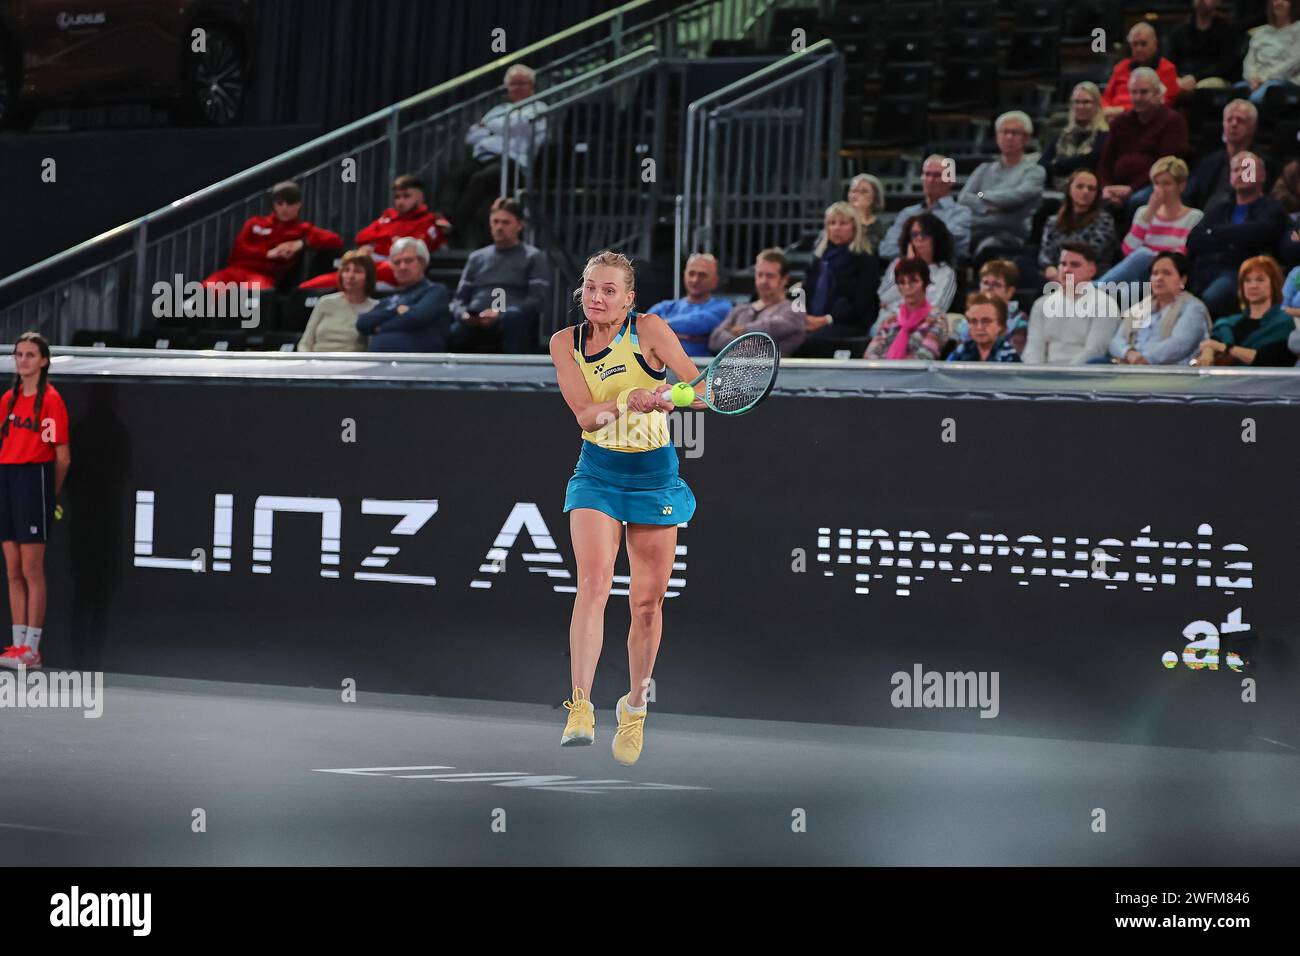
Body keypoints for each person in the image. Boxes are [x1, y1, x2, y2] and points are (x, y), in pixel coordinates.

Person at [549, 250, 704, 766]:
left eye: (609, 290)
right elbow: (585, 416)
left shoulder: (652, 330)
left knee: (646, 604)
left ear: (629, 298)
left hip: (654, 476)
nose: (597, 298)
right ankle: (580, 706)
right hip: (597, 472)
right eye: (591, 288)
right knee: (592, 585)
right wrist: (625, 400)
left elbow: (702, 391)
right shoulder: (564, 344)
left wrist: (669, 398)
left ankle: (634, 706)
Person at [0, 333, 71, 671]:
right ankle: (17, 644)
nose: (22, 360)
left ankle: (33, 649)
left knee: (31, 569)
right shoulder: (7, 402)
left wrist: (50, 494)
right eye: (18, 354)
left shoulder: (51, 401)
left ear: (43, 361)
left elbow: (62, 456)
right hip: (7, 480)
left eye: (30, 355)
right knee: (12, 568)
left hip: (34, 480)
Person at [300, 174, 451, 291]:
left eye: (406, 196)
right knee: (332, 264)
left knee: (351, 274)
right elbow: (361, 237)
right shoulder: (388, 215)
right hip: (371, 262)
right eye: (397, 197)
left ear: (420, 197)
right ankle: (304, 293)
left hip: (394, 267)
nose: (400, 202)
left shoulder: (429, 221)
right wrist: (390, 239)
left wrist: (377, 243)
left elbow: (413, 250)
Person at [452, 64, 549, 248]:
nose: (518, 88)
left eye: (523, 83)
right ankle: (444, 220)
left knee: (480, 179)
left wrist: (490, 127)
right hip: (484, 157)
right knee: (457, 174)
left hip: (514, 162)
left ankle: (456, 227)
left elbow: (521, 127)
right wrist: (506, 127)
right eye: (513, 84)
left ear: (532, 86)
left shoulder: (538, 107)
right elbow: (471, 135)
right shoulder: (499, 109)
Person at [1186, 152, 1288, 316]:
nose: (1240, 174)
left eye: (1247, 168)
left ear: (1262, 175)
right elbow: (1193, 240)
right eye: (1236, 170)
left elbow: (1258, 233)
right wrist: (1233, 237)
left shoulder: (1271, 208)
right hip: (1204, 269)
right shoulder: (1219, 208)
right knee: (1153, 286)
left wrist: (1214, 232)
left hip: (1240, 272)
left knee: (1211, 297)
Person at [447, 197, 550, 354]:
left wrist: (501, 314)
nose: (499, 227)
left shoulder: (533, 256)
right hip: (475, 320)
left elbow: (537, 299)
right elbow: (458, 300)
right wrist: (464, 314)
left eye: (505, 222)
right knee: (453, 331)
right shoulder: (477, 257)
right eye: (495, 222)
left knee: (513, 319)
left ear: (519, 225)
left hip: (511, 318)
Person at [202, 180, 342, 291]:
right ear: (274, 205)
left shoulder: (302, 229)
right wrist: (268, 253)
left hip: (263, 276)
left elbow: (335, 240)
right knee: (208, 289)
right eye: (280, 203)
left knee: (253, 293)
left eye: (290, 203)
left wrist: (302, 243)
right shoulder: (255, 223)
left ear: (298, 205)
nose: (284, 208)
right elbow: (240, 249)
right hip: (234, 271)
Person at [957, 111, 1046, 259]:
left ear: (1027, 138)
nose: (1009, 137)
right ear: (997, 136)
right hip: (976, 228)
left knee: (987, 248)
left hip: (1011, 234)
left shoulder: (1035, 171)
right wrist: (990, 205)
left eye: (1015, 132)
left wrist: (982, 195)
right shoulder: (984, 169)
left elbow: (1016, 197)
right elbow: (964, 198)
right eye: (1005, 132)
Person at [1100, 157, 1203, 285]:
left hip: (1166, 275)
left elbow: (1181, 255)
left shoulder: (1194, 217)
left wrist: (1153, 258)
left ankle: (1096, 288)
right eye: (1156, 183)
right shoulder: (1144, 212)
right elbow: (1128, 251)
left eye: (1166, 183)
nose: (1160, 189)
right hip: (1139, 276)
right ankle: (1098, 289)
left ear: (1181, 186)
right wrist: (1150, 213)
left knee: (1145, 253)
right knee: (1128, 290)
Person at [1098, 70, 1191, 210]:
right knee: (1089, 195)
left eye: (1144, 92)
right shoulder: (1120, 121)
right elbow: (1105, 161)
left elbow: (1165, 166)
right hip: (1116, 186)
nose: (1138, 97)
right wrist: (1106, 187)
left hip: (1153, 185)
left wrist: (1131, 189)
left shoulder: (1172, 121)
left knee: (1137, 201)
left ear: (1157, 93)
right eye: (1134, 92)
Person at [1022, 242, 1122, 364]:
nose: (1066, 270)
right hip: (1044, 376)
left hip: (1084, 377)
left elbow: (1095, 351)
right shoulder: (1041, 304)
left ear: (1092, 270)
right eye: (1063, 264)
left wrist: (1065, 376)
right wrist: (1035, 375)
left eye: (1075, 265)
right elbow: (1033, 347)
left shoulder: (1105, 305)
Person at [1106, 252, 1211, 364]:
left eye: (1167, 273)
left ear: (1183, 280)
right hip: (1133, 366)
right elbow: (1116, 341)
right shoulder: (1141, 307)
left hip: (1170, 373)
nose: (1159, 278)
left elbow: (1178, 344)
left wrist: (1144, 358)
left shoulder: (1193, 308)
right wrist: (1128, 352)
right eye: (1155, 273)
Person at [1193, 255, 1296, 365]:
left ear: (1274, 284)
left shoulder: (1285, 322)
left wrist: (1225, 348)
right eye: (1247, 280)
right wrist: (1208, 353)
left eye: (1260, 279)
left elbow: (1269, 359)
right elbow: (1212, 343)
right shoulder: (1227, 323)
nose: (1253, 286)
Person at [801, 202, 881, 341]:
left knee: (808, 340)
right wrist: (803, 316)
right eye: (832, 223)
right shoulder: (819, 259)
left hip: (848, 323)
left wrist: (826, 319)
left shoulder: (865, 260)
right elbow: (805, 292)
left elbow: (862, 304)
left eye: (843, 223)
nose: (836, 228)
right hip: (813, 319)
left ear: (854, 228)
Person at [355, 237, 451, 352]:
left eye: (408, 261)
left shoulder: (436, 291)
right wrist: (397, 310)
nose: (402, 267)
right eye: (397, 262)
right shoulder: (391, 299)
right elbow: (363, 323)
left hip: (422, 365)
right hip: (381, 365)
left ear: (422, 263)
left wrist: (380, 327)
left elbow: (416, 317)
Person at [708, 248, 806, 356]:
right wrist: (746, 344)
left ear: (784, 279)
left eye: (770, 276)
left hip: (773, 371)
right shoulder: (740, 309)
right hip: (730, 370)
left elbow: (771, 328)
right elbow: (715, 339)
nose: (763, 281)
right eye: (760, 275)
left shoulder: (794, 310)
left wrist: (740, 331)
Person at [880, 155, 972, 261]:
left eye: (937, 175)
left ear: (951, 180)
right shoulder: (908, 213)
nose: (930, 180)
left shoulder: (961, 213)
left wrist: (909, 247)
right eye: (927, 174)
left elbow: (947, 247)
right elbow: (886, 249)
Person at [875, 212, 958, 329]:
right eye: (914, 234)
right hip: (887, 323)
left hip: (923, 326)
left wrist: (898, 307)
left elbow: (938, 307)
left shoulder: (946, 272)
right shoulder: (897, 264)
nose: (919, 238)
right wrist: (908, 266)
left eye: (925, 234)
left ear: (936, 238)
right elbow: (883, 296)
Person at [643, 253, 732, 357]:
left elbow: (697, 323)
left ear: (715, 280)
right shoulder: (665, 307)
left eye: (702, 275)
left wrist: (661, 328)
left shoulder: (723, 308)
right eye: (691, 273)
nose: (695, 280)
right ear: (684, 275)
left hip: (701, 370)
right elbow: (643, 326)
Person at [1039, 169, 1118, 284]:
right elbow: (1045, 253)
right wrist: (1049, 267)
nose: (1085, 191)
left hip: (1092, 279)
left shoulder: (1105, 221)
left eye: (1091, 188)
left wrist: (1063, 272)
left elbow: (1090, 253)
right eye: (1080, 186)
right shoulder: (1053, 221)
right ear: (1069, 189)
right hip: (1056, 277)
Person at [863, 258, 949, 360]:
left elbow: (924, 357)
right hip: (883, 374)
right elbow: (870, 354)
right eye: (902, 282)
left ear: (925, 283)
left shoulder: (937, 320)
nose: (907, 287)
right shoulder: (891, 320)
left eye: (914, 281)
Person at [297, 251, 378, 352]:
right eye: (346, 270)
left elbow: (371, 350)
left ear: (368, 277)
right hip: (315, 363)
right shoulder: (325, 302)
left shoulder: (375, 308)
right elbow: (305, 343)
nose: (350, 275)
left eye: (357, 271)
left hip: (350, 365)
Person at [1100, 22, 1181, 118]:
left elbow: (1163, 104)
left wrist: (1123, 111)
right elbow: (1105, 98)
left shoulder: (1167, 69)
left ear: (1155, 44)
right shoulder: (1121, 67)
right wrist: (1106, 111)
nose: (1138, 49)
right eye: (1135, 44)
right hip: (1113, 119)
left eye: (1143, 44)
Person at [1039, 83, 1109, 192]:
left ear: (1096, 105)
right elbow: (1042, 166)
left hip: (1088, 191)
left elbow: (1089, 163)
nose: (1080, 106)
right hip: (1055, 190)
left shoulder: (1104, 136)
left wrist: (1058, 164)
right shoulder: (1060, 136)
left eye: (1086, 102)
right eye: (1077, 102)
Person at [1168, 0, 1245, 92]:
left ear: (1217, 2)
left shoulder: (1228, 31)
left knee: (1202, 88)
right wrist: (1179, 78)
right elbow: (1171, 60)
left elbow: (1226, 65)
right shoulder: (1180, 31)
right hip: (1183, 78)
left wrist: (1195, 78)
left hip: (1215, 79)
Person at [1237, 0, 1300, 105]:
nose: (1278, 2)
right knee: (1236, 92)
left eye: (1285, 0)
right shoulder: (1261, 32)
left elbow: (1293, 63)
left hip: (1286, 81)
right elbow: (1249, 60)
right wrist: (1252, 78)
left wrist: (1264, 78)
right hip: (1255, 82)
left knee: (1259, 96)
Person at [946, 294, 1022, 362]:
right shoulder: (962, 350)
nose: (979, 327)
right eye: (974, 321)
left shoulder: (1009, 354)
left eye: (986, 321)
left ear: (1000, 324)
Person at [978, 259, 1030, 354]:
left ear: (1010, 292)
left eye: (996, 285)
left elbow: (1014, 354)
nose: (988, 289)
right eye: (985, 283)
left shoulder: (1020, 320)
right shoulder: (972, 316)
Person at [847, 174, 887, 252]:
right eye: (854, 191)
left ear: (875, 196)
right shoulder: (839, 223)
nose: (856, 195)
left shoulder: (884, 228)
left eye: (864, 191)